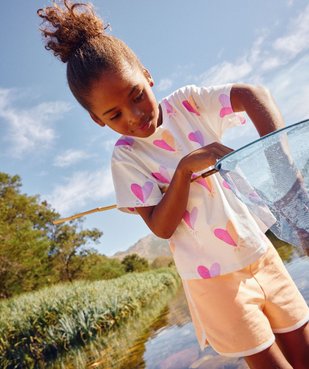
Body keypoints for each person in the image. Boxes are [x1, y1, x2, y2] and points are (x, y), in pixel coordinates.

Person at [37, 1, 309, 368]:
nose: (135, 116)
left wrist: (282, 171)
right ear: (96, 119)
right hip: (213, 283)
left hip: (260, 253)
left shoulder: (189, 105)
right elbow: (161, 227)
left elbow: (253, 95)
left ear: (147, 75)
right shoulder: (126, 159)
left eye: (136, 95)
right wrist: (183, 171)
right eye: (114, 114)